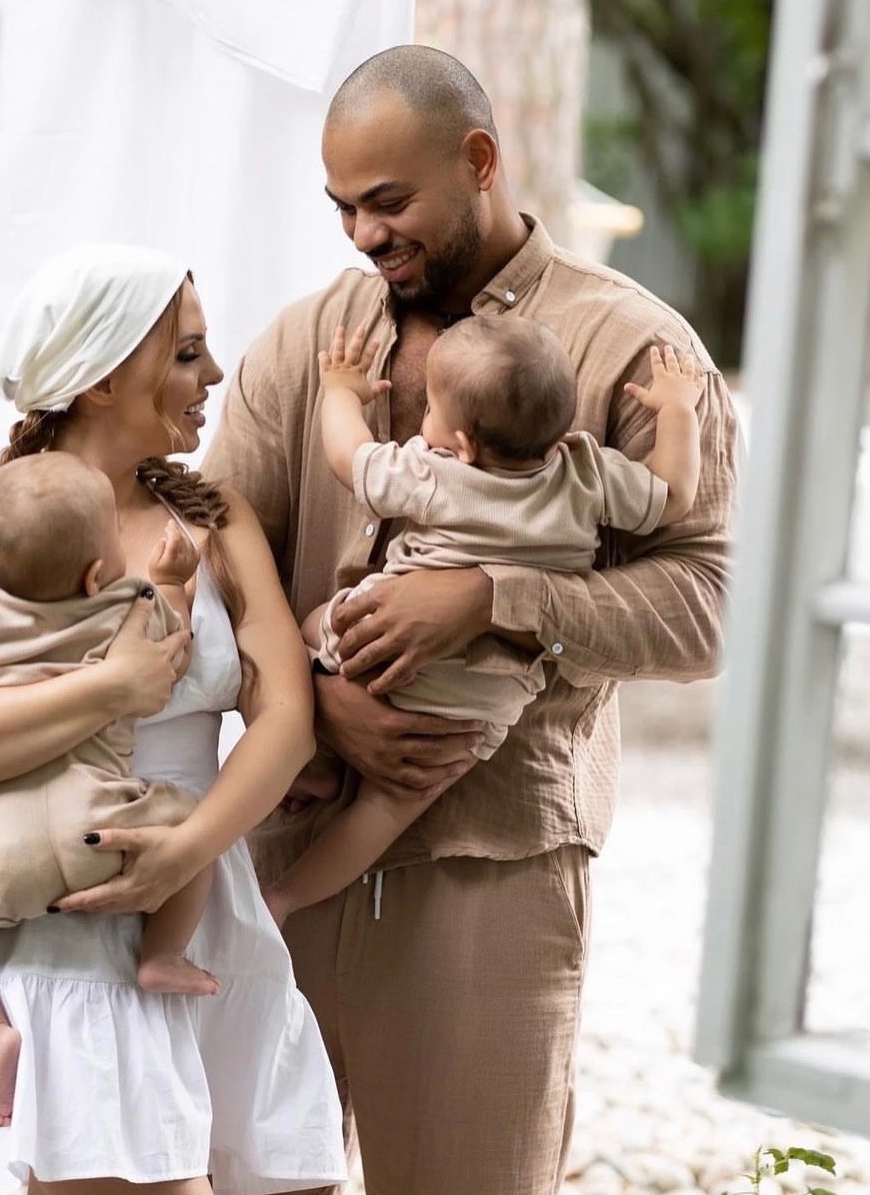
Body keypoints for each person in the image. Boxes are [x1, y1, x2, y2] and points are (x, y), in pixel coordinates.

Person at [203, 44, 738, 1195]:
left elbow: (710, 609)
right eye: (342, 206)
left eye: (388, 202)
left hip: (496, 867)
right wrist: (302, 698)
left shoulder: (636, 352)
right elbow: (210, 556)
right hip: (282, 848)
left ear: (480, 161)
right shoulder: (309, 344)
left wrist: (498, 598)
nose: (360, 233)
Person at [0, 243, 347, 1195]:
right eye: (186, 354)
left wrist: (187, 854)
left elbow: (286, 721)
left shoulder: (216, 521)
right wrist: (111, 688)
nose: (212, 376)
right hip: (67, 929)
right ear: (99, 380)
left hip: (200, 900)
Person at [262, 318, 705, 928]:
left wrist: (340, 390)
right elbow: (674, 494)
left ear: (463, 443)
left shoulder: (438, 473)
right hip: (482, 705)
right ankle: (283, 900)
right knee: (389, 806)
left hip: (377, 645)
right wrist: (679, 410)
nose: (425, 422)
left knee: (314, 626)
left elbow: (348, 456)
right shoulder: (586, 475)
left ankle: (310, 759)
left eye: (431, 410)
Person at [0, 450, 222, 1131]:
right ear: (97, 570)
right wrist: (167, 578)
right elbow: (174, 649)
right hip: (102, 828)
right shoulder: (122, 606)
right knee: (195, 831)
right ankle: (161, 954)